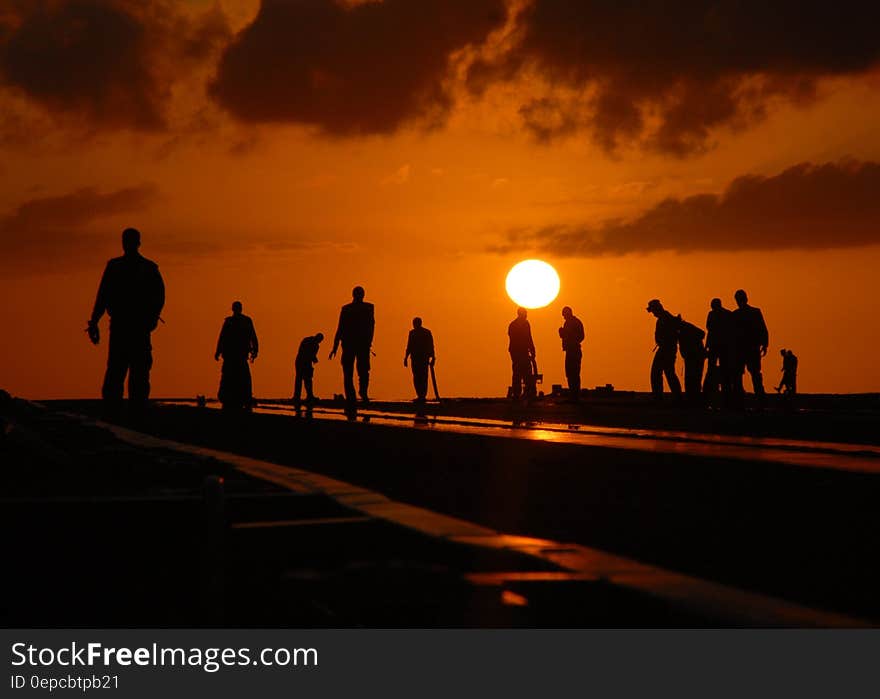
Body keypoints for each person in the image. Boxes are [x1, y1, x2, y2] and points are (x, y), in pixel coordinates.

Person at [86, 227, 165, 415]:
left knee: (130, 372)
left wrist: (95, 321)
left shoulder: (143, 268)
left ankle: (127, 412)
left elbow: (158, 296)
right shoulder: (124, 267)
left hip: (134, 328)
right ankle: (121, 412)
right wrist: (94, 321)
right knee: (122, 371)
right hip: (128, 327)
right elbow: (103, 296)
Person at [329, 285, 375, 405]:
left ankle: (357, 394)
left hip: (357, 345)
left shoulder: (352, 309)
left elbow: (371, 327)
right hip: (356, 345)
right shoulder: (366, 308)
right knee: (357, 371)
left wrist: (335, 346)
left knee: (359, 371)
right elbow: (341, 328)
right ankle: (357, 394)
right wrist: (335, 346)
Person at [214, 301, 259, 412]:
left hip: (238, 356)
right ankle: (232, 398)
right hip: (231, 356)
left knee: (241, 378)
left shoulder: (245, 321)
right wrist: (218, 351)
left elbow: (253, 336)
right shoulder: (231, 322)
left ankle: (243, 398)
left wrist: (255, 350)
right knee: (231, 378)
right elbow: (223, 337)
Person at [732, 289, 769, 408]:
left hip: (746, 349)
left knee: (744, 375)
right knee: (751, 375)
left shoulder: (737, 315)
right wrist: (765, 344)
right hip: (747, 349)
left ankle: (745, 401)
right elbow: (763, 329)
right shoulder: (753, 312)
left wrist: (764, 344)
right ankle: (758, 401)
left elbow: (762, 328)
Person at [646, 299, 682, 401]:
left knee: (658, 372)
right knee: (668, 372)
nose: (653, 313)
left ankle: (659, 397)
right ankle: (676, 396)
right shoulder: (665, 318)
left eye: (653, 310)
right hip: (667, 349)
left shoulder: (666, 318)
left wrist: (664, 342)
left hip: (666, 349)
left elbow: (670, 335)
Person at [703, 297, 735, 404]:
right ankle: (725, 396)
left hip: (718, 346)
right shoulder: (728, 314)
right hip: (722, 346)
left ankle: (709, 393)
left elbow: (710, 331)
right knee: (723, 370)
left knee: (713, 370)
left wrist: (706, 346)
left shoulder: (712, 315)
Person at [404, 317, 435, 403]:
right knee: (417, 377)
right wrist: (405, 358)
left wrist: (433, 357)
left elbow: (431, 345)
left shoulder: (426, 333)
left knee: (423, 377)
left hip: (423, 358)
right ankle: (419, 395)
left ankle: (422, 396)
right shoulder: (412, 333)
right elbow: (409, 346)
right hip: (415, 358)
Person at [508, 306, 537, 401]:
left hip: (522, 351)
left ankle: (527, 392)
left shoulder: (525, 324)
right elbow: (518, 339)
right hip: (517, 352)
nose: (526, 316)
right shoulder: (514, 325)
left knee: (526, 372)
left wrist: (532, 349)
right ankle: (517, 393)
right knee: (518, 372)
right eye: (525, 314)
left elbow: (529, 337)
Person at [677, 314, 706, 404]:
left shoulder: (686, 328)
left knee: (694, 377)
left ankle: (694, 399)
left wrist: (691, 345)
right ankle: (692, 397)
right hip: (691, 356)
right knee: (691, 377)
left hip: (695, 356)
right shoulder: (681, 330)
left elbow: (702, 334)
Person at [558, 306, 585, 402]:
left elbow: (581, 336)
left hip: (574, 350)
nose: (564, 317)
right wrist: (563, 334)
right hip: (569, 351)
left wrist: (568, 335)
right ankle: (573, 395)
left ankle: (575, 396)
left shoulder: (575, 322)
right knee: (569, 373)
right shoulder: (567, 323)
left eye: (564, 315)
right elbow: (566, 336)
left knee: (574, 373)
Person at [293, 332, 324, 408]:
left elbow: (311, 355)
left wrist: (313, 359)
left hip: (304, 362)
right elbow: (306, 353)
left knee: (305, 380)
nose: (319, 342)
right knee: (302, 379)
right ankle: (300, 397)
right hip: (301, 361)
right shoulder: (310, 342)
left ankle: (307, 396)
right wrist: (313, 359)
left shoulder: (310, 342)